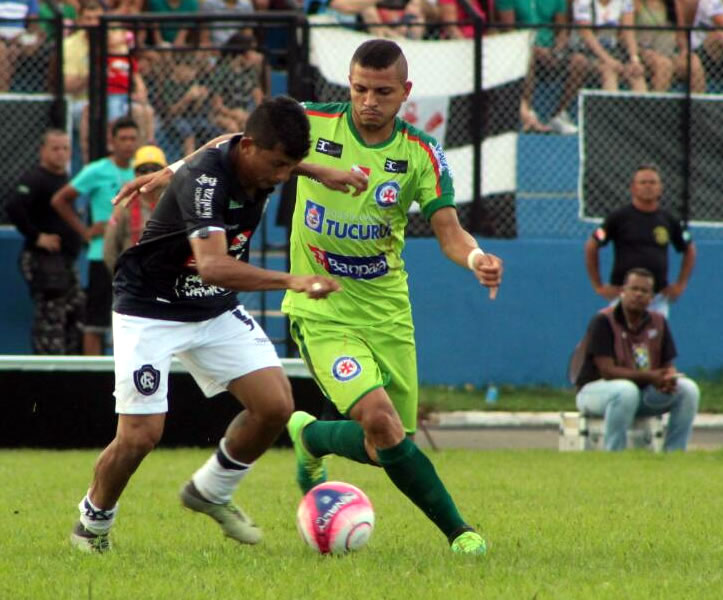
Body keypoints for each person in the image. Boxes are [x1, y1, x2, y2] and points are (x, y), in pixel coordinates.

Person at [115, 40, 500, 557]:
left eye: (382, 92)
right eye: (360, 88)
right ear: (349, 84)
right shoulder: (314, 123)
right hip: (322, 308)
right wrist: (174, 171)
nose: (368, 101)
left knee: (387, 443)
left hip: (386, 310)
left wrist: (476, 259)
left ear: (405, 93)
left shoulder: (422, 154)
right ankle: (461, 533)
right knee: (382, 422)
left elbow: (449, 231)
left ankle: (313, 437)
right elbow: (237, 140)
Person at [69, 96, 341, 554]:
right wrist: (294, 280)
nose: (281, 176)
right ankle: (93, 522)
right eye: (278, 165)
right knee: (140, 437)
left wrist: (320, 171)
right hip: (149, 307)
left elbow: (222, 142)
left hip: (212, 309)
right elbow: (213, 266)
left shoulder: (250, 155)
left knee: (275, 406)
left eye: (290, 167)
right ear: (251, 147)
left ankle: (210, 491)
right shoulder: (205, 181)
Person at [573, 268, 700, 451]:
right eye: (634, 289)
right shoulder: (603, 321)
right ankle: (614, 455)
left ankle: (674, 453)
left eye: (644, 291)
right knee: (626, 391)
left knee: (688, 390)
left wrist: (667, 378)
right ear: (622, 292)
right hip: (596, 393)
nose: (638, 294)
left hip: (640, 394)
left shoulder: (659, 322)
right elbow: (607, 372)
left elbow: (667, 364)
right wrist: (652, 377)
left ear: (652, 297)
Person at [51, 117, 140, 356]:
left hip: (135, 255)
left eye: (133, 139)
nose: (128, 144)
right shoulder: (97, 170)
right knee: (96, 322)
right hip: (101, 253)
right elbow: (60, 199)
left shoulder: (142, 170)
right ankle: (96, 375)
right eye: (123, 139)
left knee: (139, 318)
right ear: (113, 141)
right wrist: (85, 231)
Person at [6, 129, 85, 354]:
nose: (61, 154)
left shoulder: (66, 179)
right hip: (44, 261)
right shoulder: (36, 178)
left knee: (76, 310)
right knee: (51, 313)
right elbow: (14, 207)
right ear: (43, 151)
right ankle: (48, 365)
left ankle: (73, 364)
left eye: (65, 148)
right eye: (55, 148)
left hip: (67, 260)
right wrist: (38, 236)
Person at [585, 163, 696, 318]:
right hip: (623, 296)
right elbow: (592, 245)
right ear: (633, 188)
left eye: (652, 182)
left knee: (654, 340)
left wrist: (680, 285)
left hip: (656, 298)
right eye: (643, 182)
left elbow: (689, 249)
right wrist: (598, 286)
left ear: (660, 188)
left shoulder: (669, 220)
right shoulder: (619, 218)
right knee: (622, 339)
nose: (648, 187)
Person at [497, 0, 588, 134]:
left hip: (550, 51)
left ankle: (558, 115)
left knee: (580, 62)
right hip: (522, 50)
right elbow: (509, 31)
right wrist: (535, 49)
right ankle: (528, 114)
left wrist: (556, 51)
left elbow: (562, 30)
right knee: (529, 57)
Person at [102, 144, 168, 274]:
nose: (149, 174)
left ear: (165, 172)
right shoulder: (125, 205)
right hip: (133, 278)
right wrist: (121, 278)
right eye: (143, 170)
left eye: (155, 169)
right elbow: (109, 248)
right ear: (135, 173)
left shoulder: (173, 202)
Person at [572, 0, 648, 92]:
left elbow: (629, 32)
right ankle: (611, 105)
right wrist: (609, 60)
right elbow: (586, 34)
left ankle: (643, 105)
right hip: (586, 51)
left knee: (636, 75)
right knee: (609, 71)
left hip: (613, 50)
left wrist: (634, 60)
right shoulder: (583, 2)